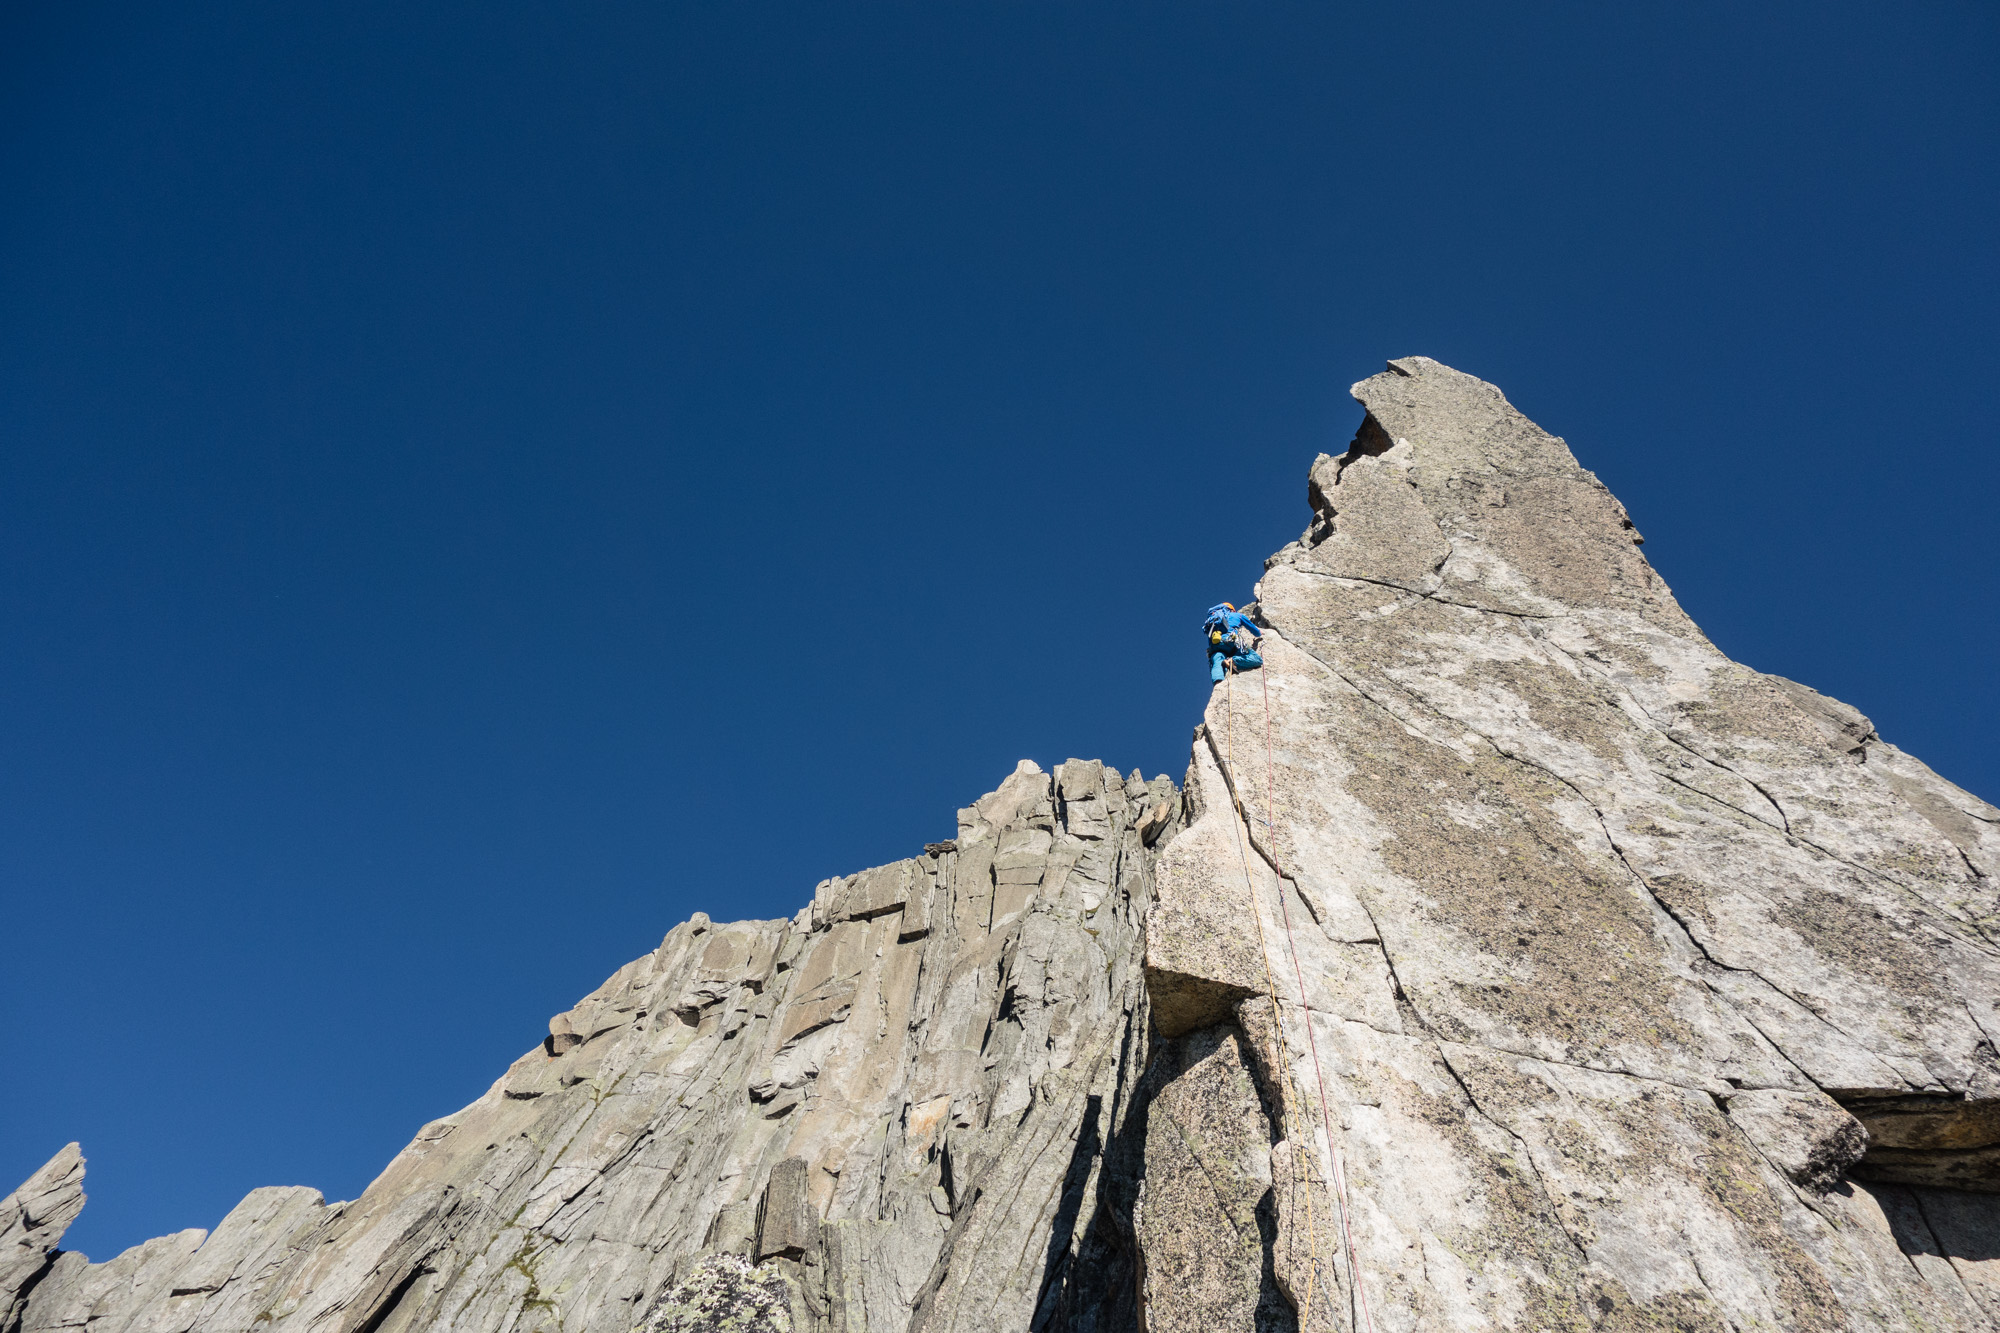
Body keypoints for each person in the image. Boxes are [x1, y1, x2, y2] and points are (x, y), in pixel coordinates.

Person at [1204, 602, 1263, 682]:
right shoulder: (1237, 615)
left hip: (1216, 645)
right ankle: (1233, 661)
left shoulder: (1211, 622)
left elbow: (1210, 640)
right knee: (1257, 659)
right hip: (1231, 641)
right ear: (1231, 609)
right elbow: (1255, 631)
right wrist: (1259, 633)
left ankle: (1218, 682)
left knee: (1217, 661)